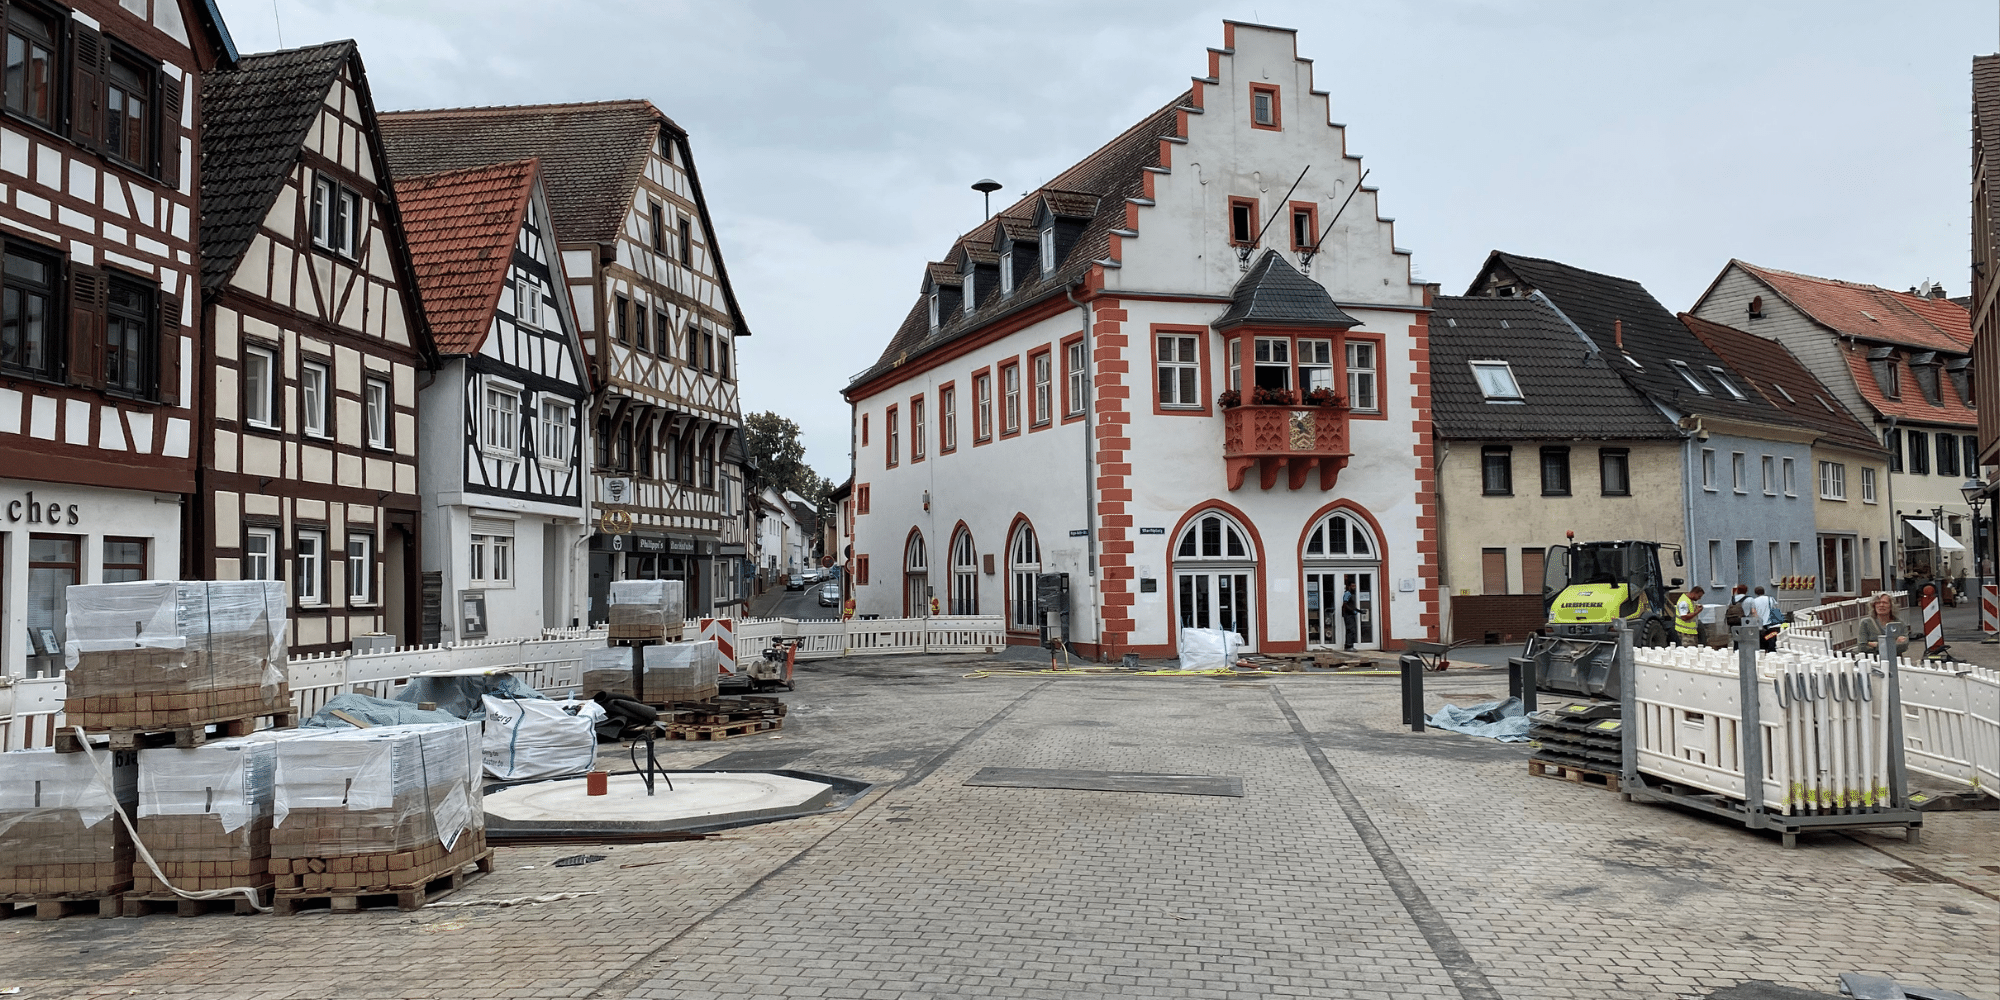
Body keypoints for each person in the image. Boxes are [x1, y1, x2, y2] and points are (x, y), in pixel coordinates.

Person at [1856, 593, 1910, 657]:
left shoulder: (1899, 623)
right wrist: (1894, 642)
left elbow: (1904, 646)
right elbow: (1862, 647)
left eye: (1885, 603)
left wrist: (1874, 644)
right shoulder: (1865, 623)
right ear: (1874, 606)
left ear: (1891, 606)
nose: (1881, 605)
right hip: (1874, 662)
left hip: (1895, 661)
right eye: (1878, 603)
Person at [1340, 584, 1358, 651]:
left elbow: (1351, 605)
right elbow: (1345, 605)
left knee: (1352, 630)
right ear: (1349, 586)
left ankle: (1350, 645)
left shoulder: (1353, 594)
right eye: (1353, 586)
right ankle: (1348, 646)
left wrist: (1358, 610)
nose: (1354, 587)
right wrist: (1352, 610)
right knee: (1350, 630)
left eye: (1355, 586)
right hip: (1348, 615)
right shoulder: (1347, 594)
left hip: (1351, 614)